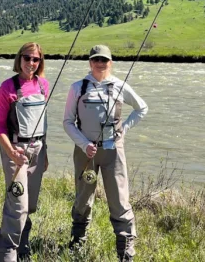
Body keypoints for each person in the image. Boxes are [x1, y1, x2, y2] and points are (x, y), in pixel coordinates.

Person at [63, 45, 148, 262]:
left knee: (120, 201)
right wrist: (84, 144)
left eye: (105, 60)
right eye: (96, 60)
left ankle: (125, 252)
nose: (100, 64)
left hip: (113, 152)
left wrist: (124, 129)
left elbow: (142, 108)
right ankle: (77, 244)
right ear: (90, 62)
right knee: (83, 198)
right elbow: (67, 122)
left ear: (111, 63)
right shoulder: (77, 88)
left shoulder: (120, 85)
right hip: (85, 154)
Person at [0, 42, 50, 262]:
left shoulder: (44, 85)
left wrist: (46, 153)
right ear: (19, 59)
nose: (31, 63)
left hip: (38, 150)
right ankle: (6, 254)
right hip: (15, 152)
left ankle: (23, 248)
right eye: (27, 58)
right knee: (17, 205)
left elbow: (43, 124)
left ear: (40, 62)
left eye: (35, 59)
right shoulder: (7, 87)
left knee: (30, 205)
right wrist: (11, 153)